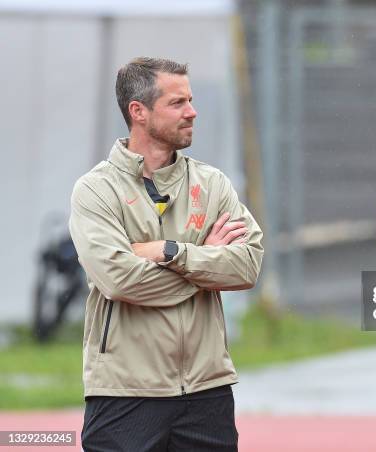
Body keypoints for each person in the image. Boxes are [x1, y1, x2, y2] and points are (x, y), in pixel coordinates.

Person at [69, 57, 264, 451]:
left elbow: (246, 266)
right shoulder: (95, 191)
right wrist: (205, 264)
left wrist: (172, 252)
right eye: (177, 103)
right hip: (125, 391)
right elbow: (119, 280)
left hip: (207, 391)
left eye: (190, 100)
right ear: (137, 112)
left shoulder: (213, 184)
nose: (192, 112)